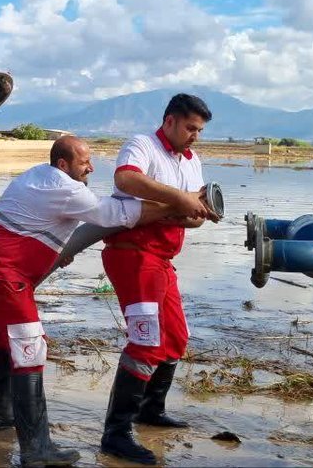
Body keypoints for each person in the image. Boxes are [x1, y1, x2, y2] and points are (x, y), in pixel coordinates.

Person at [0, 136, 206, 467]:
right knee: (31, 348)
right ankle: (36, 451)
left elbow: (35, 224)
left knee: (8, 341)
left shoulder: (40, 176)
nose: (91, 167)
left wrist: (55, 251)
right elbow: (111, 213)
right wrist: (178, 204)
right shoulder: (65, 187)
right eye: (84, 162)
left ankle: (3, 421)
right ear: (63, 165)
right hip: (1, 273)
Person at [99, 93, 218, 465]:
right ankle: (115, 434)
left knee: (176, 337)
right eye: (190, 128)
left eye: (199, 130)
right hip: (133, 253)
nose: (195, 136)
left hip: (162, 258)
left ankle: (151, 409)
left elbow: (195, 213)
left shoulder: (191, 159)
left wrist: (194, 210)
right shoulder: (142, 145)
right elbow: (127, 179)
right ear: (169, 121)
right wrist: (180, 200)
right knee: (146, 341)